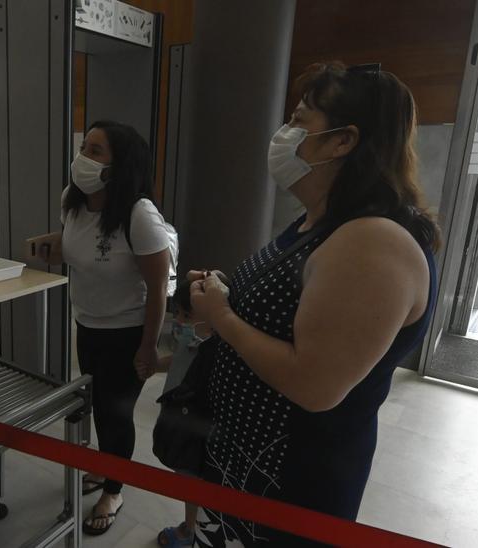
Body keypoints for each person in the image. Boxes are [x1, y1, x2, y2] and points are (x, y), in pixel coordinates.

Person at [187, 62, 439, 546]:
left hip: (291, 481)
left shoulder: (373, 241)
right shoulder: (319, 222)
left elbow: (314, 385)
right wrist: (227, 299)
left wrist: (222, 315)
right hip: (245, 460)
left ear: (343, 141)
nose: (283, 134)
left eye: (299, 121)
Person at [27, 120, 173, 536]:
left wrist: (148, 348)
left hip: (128, 331)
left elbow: (158, 287)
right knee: (97, 405)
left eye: (95, 151)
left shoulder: (138, 214)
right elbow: (79, 248)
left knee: (116, 412)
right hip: (87, 323)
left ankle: (114, 488)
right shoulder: (72, 202)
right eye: (84, 147)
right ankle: (106, 466)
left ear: (119, 165)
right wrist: (49, 247)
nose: (83, 158)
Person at [154, 283, 213, 548]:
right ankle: (193, 525)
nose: (178, 321)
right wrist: (153, 364)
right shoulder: (191, 340)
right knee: (185, 476)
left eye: (185, 316)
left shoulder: (211, 351)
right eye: (176, 313)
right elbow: (177, 359)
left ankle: (190, 531)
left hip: (192, 425)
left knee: (192, 480)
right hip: (176, 413)